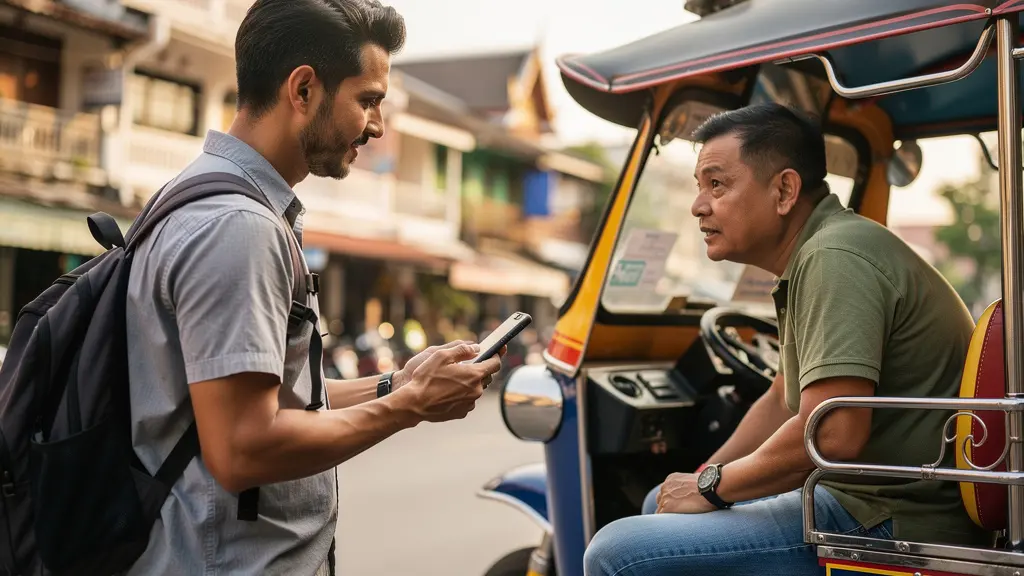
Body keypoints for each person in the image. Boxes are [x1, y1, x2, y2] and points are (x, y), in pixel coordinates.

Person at [124, 1, 502, 574]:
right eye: (368, 100)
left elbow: (265, 397)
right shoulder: (239, 227)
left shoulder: (207, 196)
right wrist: (409, 406)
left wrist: (394, 383)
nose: (377, 126)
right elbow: (244, 446)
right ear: (302, 90)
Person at [583, 103, 993, 576]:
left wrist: (712, 485)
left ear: (784, 190)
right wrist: (698, 481)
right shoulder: (821, 251)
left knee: (616, 552)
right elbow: (783, 398)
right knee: (661, 497)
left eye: (717, 184)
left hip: (891, 520)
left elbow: (833, 436)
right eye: (699, 186)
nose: (698, 205)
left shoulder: (834, 258)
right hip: (866, 500)